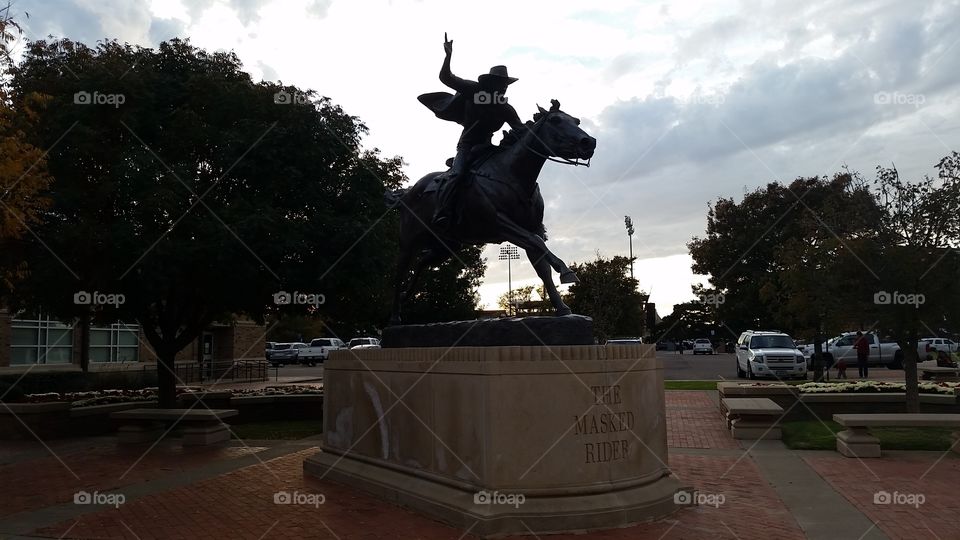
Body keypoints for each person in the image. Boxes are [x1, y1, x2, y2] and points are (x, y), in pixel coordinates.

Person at [418, 33, 525, 229]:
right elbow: (446, 78)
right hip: (467, 146)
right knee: (457, 174)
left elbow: (521, 129)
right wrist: (448, 56)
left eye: (505, 85)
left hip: (488, 148)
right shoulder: (473, 90)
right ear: (490, 83)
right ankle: (442, 211)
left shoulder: (505, 108)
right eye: (500, 83)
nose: (503, 88)